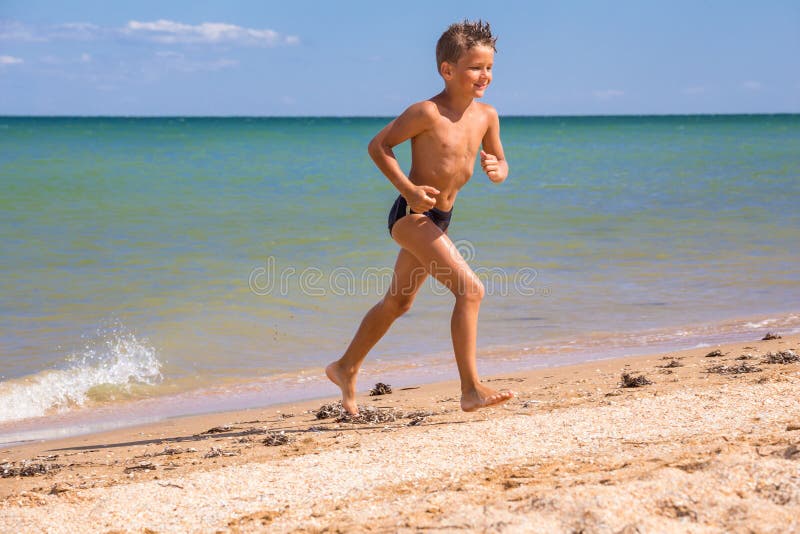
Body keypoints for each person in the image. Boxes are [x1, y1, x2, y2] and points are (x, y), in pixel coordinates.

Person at [326, 19, 514, 415]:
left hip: (441, 218)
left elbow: (498, 157)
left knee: (398, 303)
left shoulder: (487, 116)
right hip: (412, 215)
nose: (485, 76)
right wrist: (408, 189)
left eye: (490, 68)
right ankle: (470, 389)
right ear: (447, 70)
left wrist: (500, 169)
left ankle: (344, 368)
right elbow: (379, 146)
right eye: (475, 67)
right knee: (471, 290)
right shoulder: (426, 112)